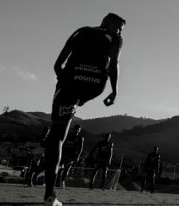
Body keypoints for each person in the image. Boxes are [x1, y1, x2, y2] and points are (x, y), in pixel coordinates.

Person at [43, 13, 125, 206]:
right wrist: (114, 91)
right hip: (94, 84)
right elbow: (114, 64)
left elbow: (58, 64)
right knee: (59, 135)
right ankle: (78, 101)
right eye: (119, 27)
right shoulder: (115, 38)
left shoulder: (80, 31)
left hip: (69, 84)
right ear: (108, 24)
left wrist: (61, 79)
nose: (120, 31)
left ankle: (49, 195)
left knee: (57, 138)